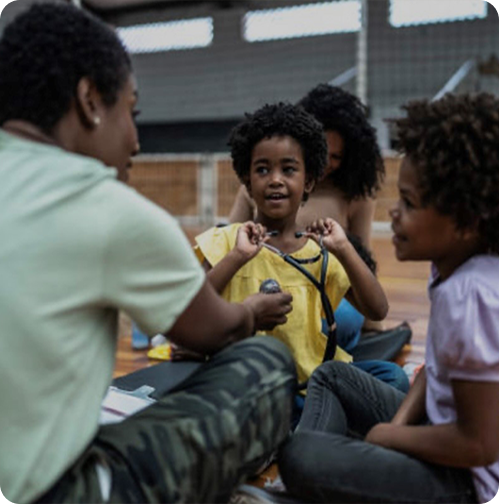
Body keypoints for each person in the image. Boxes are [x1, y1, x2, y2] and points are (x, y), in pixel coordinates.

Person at [0, 4, 297, 503]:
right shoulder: (106, 206)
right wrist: (253, 311)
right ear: (90, 100)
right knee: (266, 363)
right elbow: (214, 330)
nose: (136, 141)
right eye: (131, 113)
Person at [278, 93, 499, 503]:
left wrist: (386, 436)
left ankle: (301, 483)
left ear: (467, 220)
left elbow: (480, 445)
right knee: (332, 376)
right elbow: (435, 370)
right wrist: (395, 429)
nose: (394, 213)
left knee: (298, 454)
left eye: (410, 204)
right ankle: (310, 483)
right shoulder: (455, 270)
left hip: (465, 485)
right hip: (440, 437)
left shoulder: (471, 296)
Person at [193, 102, 389, 391]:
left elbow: (377, 309)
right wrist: (237, 257)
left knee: (390, 375)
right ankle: (313, 424)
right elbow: (195, 307)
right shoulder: (227, 241)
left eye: (288, 169)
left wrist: (345, 248)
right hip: (248, 386)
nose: (275, 180)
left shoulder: (319, 252)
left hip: (311, 382)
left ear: (308, 181)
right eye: (262, 169)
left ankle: (311, 420)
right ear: (247, 181)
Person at [229, 84, 411, 364]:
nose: (326, 164)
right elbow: (228, 239)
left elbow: (362, 257)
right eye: (322, 153)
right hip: (263, 286)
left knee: (339, 320)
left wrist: (373, 331)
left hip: (325, 296)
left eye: (335, 157)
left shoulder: (356, 193)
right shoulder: (259, 188)